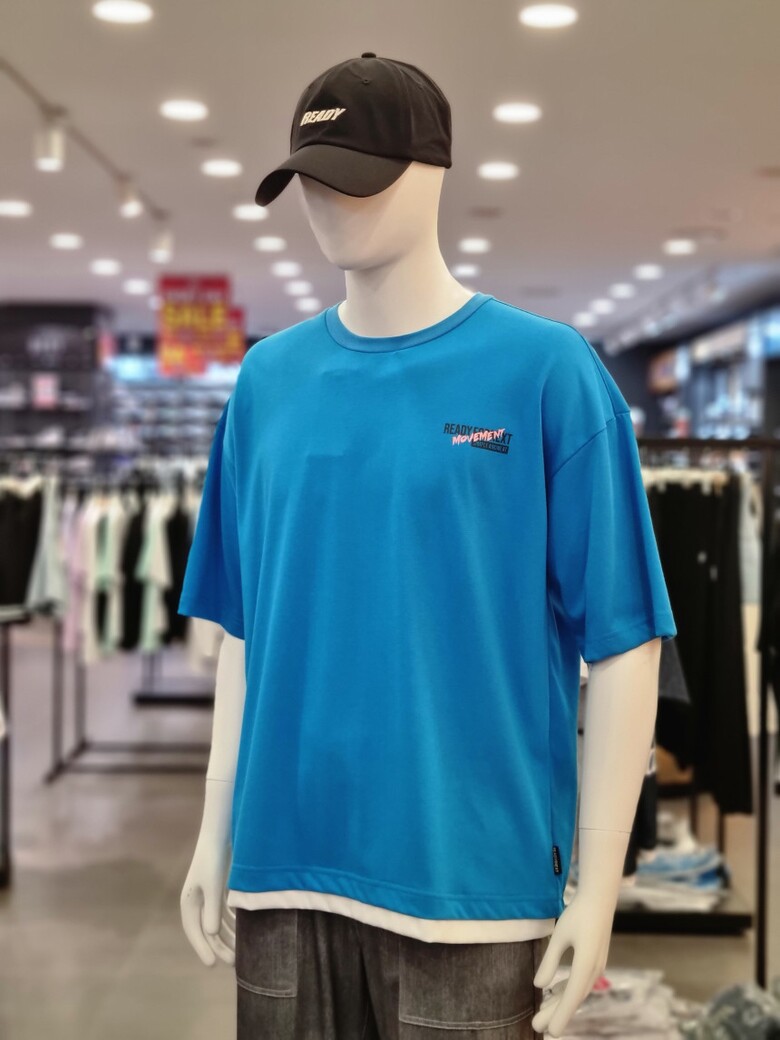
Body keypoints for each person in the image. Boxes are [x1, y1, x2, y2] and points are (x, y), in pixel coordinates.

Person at [178, 53, 676, 1039]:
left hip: (472, 882)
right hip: (280, 871)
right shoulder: (266, 381)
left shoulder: (546, 371)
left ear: (432, 174)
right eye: (310, 178)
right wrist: (214, 825)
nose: (327, 203)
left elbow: (626, 638)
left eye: (353, 176)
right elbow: (242, 627)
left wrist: (598, 885)